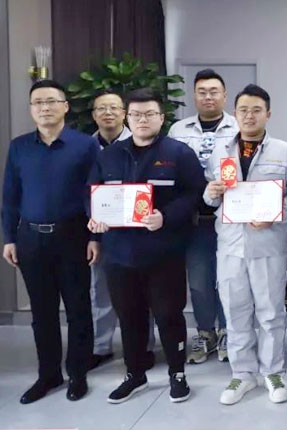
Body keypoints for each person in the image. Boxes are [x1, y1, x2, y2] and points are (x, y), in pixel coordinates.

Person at [88, 88, 205, 404]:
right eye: (136, 114)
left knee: (169, 315)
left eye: (149, 114)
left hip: (163, 252)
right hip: (119, 253)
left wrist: (166, 216)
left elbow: (195, 193)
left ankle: (177, 374)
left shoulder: (179, 153)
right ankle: (135, 374)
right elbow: (92, 192)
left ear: (161, 118)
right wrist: (95, 218)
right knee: (129, 316)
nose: (142, 120)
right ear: (127, 117)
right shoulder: (109, 155)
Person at [204, 84, 287, 405]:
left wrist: (274, 213)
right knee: (235, 312)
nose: (249, 116)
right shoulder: (220, 151)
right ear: (235, 113)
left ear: (268, 114)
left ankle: (273, 372)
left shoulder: (285, 153)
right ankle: (242, 374)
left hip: (269, 245)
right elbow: (209, 196)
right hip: (230, 245)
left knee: (270, 313)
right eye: (243, 110)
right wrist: (211, 193)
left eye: (256, 110)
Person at [2, 80, 98, 403]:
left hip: (73, 236)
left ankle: (78, 373)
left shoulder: (84, 146)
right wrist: (9, 238)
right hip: (30, 238)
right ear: (31, 109)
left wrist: (95, 237)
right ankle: (48, 374)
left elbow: (94, 193)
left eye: (51, 101)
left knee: (78, 308)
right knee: (41, 311)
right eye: (38, 102)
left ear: (65, 106)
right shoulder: (19, 147)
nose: (44, 107)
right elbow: (10, 196)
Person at [169, 69, 239, 364]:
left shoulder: (238, 126)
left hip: (230, 216)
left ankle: (226, 333)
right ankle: (205, 333)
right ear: (194, 96)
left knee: (228, 278)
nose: (208, 97)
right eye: (202, 92)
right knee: (198, 281)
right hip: (193, 218)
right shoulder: (178, 130)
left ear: (224, 95)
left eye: (214, 91)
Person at [88, 90, 156, 370]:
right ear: (94, 115)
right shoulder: (86, 146)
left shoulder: (142, 140)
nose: (108, 113)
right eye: (101, 108)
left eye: (114, 108)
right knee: (100, 290)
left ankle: (145, 348)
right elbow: (88, 189)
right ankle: (101, 346)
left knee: (142, 294)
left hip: (142, 233)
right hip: (105, 231)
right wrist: (94, 227)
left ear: (125, 113)